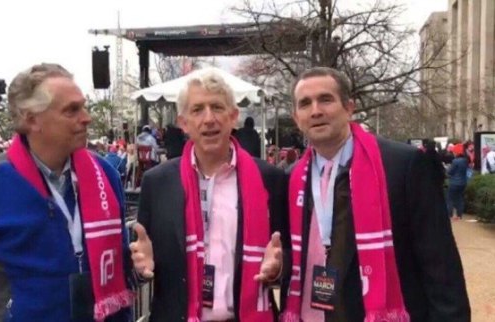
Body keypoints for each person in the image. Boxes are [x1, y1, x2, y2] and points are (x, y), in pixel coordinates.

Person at [0, 63, 133, 322]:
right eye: (72, 110)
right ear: (31, 118)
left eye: (84, 106)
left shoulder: (105, 175)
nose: (86, 117)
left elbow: (119, 276)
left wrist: (140, 268)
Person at [282, 67, 469, 322]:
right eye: (305, 104)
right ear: (296, 117)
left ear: (349, 107)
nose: (315, 111)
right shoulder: (291, 179)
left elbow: (441, 267)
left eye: (325, 99)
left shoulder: (404, 165)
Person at [130, 68, 290, 322]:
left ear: (233, 117)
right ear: (183, 123)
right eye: (197, 110)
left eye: (217, 107)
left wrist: (279, 269)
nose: (208, 119)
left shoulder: (270, 179)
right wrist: (140, 269)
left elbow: (287, 255)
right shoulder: (157, 182)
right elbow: (139, 261)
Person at [447, 144, 469, 221]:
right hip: (463, 182)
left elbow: (450, 171)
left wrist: (447, 169)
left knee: (450, 199)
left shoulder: (455, 161)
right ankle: (459, 216)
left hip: (454, 182)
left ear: (456, 152)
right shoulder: (465, 160)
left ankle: (450, 215)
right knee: (459, 198)